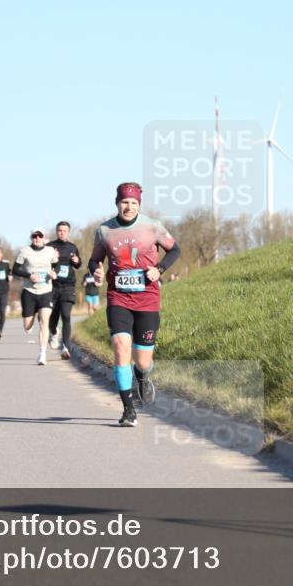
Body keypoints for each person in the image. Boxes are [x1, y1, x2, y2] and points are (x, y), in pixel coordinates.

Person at [89, 182, 181, 427]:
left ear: (139, 204)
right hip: (118, 297)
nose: (128, 207)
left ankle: (142, 376)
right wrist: (96, 271)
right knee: (120, 348)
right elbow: (94, 260)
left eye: (133, 203)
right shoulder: (105, 230)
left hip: (148, 299)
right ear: (116, 203)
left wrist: (158, 269)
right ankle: (128, 409)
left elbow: (175, 250)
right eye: (124, 202)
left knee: (142, 361)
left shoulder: (152, 226)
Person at [12, 227, 59, 365]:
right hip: (29, 291)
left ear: (44, 238)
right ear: (31, 238)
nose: (37, 238)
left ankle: (42, 354)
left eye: (40, 236)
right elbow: (15, 269)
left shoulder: (50, 251)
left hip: (46, 290)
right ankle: (31, 319)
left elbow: (56, 265)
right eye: (34, 236)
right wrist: (28, 276)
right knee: (27, 326)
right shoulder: (24, 251)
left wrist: (54, 273)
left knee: (44, 323)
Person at [46, 221, 81, 360]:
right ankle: (53, 333)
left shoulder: (72, 247)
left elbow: (78, 264)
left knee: (66, 314)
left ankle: (66, 346)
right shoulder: (49, 247)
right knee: (52, 316)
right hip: (52, 286)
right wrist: (51, 257)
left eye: (65, 230)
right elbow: (43, 264)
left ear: (69, 232)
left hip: (68, 286)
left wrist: (77, 260)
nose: (62, 233)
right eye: (60, 230)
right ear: (56, 231)